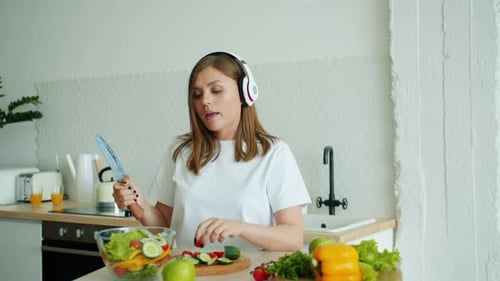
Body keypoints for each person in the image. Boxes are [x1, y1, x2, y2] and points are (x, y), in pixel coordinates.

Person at [113, 51, 311, 251]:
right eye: (197, 95)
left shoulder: (273, 153)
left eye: (216, 90)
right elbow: (164, 225)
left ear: (246, 93)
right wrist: (141, 206)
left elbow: (292, 237)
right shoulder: (181, 151)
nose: (205, 101)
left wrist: (240, 228)